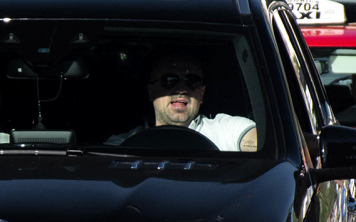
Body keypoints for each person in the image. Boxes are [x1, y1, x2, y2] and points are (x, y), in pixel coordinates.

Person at [107, 55, 257, 152]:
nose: (181, 89)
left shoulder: (227, 130)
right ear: (151, 92)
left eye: (192, 81)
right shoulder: (123, 144)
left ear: (202, 93)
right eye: (169, 81)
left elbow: (263, 145)